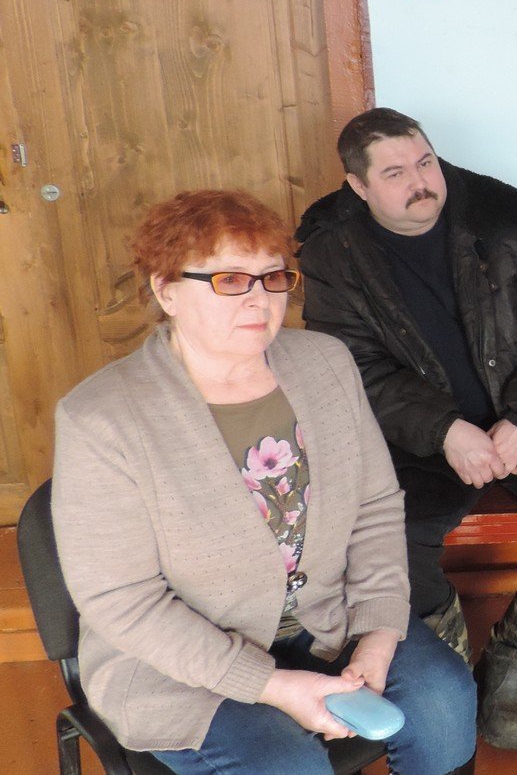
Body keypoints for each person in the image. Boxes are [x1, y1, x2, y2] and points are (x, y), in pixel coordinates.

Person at [52, 190, 477, 774]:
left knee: (446, 700)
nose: (259, 298)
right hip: (180, 664)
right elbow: (122, 601)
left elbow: (375, 506)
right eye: (229, 279)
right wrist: (274, 686)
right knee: (287, 764)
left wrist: (379, 631)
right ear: (165, 290)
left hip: (329, 618)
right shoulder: (100, 418)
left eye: (273, 277)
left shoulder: (326, 362)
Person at [295, 108, 517, 751]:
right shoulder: (333, 253)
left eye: (425, 162)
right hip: (420, 435)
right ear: (358, 187)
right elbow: (353, 366)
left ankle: (515, 658)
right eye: (395, 173)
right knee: (392, 538)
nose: (421, 182)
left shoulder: (503, 221)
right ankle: (446, 671)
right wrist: (446, 429)